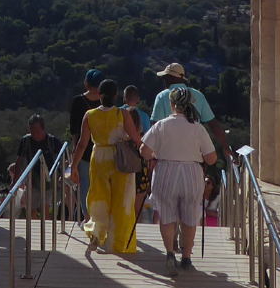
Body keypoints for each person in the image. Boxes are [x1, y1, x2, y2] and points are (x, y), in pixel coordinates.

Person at [141, 86, 218, 274]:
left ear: (172, 104)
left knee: (166, 215)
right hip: (191, 172)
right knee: (190, 216)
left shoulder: (161, 125)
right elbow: (212, 158)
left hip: (166, 170)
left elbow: (144, 151)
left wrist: (156, 155)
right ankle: (187, 257)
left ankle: (169, 253)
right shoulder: (198, 128)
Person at [69, 78, 143, 254]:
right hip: (119, 158)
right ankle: (120, 243)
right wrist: (150, 154)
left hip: (99, 158)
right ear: (116, 95)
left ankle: (96, 235)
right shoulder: (122, 114)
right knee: (122, 201)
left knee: (99, 198)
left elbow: (81, 144)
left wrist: (73, 166)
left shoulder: (90, 115)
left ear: (99, 95)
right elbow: (135, 138)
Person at [148, 63, 234, 162]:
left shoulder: (162, 96)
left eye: (165, 77)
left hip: (167, 157)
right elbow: (214, 125)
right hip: (194, 157)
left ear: (170, 77)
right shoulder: (198, 96)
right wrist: (226, 147)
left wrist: (152, 158)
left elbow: (155, 128)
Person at [66, 70, 103, 222]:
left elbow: (74, 128)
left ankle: (88, 221)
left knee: (85, 190)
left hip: (84, 151)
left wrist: (75, 150)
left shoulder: (78, 101)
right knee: (102, 190)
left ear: (86, 84)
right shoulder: (106, 102)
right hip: (103, 152)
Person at [9, 114, 63, 216]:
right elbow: (19, 162)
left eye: (37, 132)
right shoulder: (26, 141)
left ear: (43, 129)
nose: (35, 135)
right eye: (32, 132)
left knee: (44, 208)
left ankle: (45, 230)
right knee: (31, 209)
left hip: (48, 179)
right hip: (32, 179)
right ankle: (32, 229)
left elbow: (65, 157)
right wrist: (14, 183)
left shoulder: (52, 141)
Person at [123, 85, 153, 227]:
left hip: (120, 163)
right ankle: (136, 232)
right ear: (138, 99)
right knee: (137, 208)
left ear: (124, 97)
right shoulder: (145, 117)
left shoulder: (118, 112)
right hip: (139, 167)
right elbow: (148, 141)